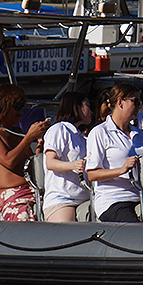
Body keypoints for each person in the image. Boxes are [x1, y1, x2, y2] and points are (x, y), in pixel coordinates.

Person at [0, 84, 50, 221]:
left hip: (34, 192)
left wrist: (39, 147)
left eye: (22, 106)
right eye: (17, 106)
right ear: (4, 106)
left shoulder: (17, 133)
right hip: (15, 198)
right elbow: (9, 161)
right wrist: (29, 137)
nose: (21, 111)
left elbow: (29, 164)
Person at [86, 84, 143, 222]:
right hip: (113, 200)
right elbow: (92, 174)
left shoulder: (138, 133)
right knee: (135, 229)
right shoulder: (99, 133)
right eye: (135, 101)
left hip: (140, 197)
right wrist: (121, 170)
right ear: (120, 102)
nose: (139, 107)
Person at [42, 91, 93, 222]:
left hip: (85, 198)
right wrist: (72, 165)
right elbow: (50, 162)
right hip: (62, 198)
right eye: (87, 105)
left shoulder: (83, 138)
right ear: (77, 107)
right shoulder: (59, 129)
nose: (91, 110)